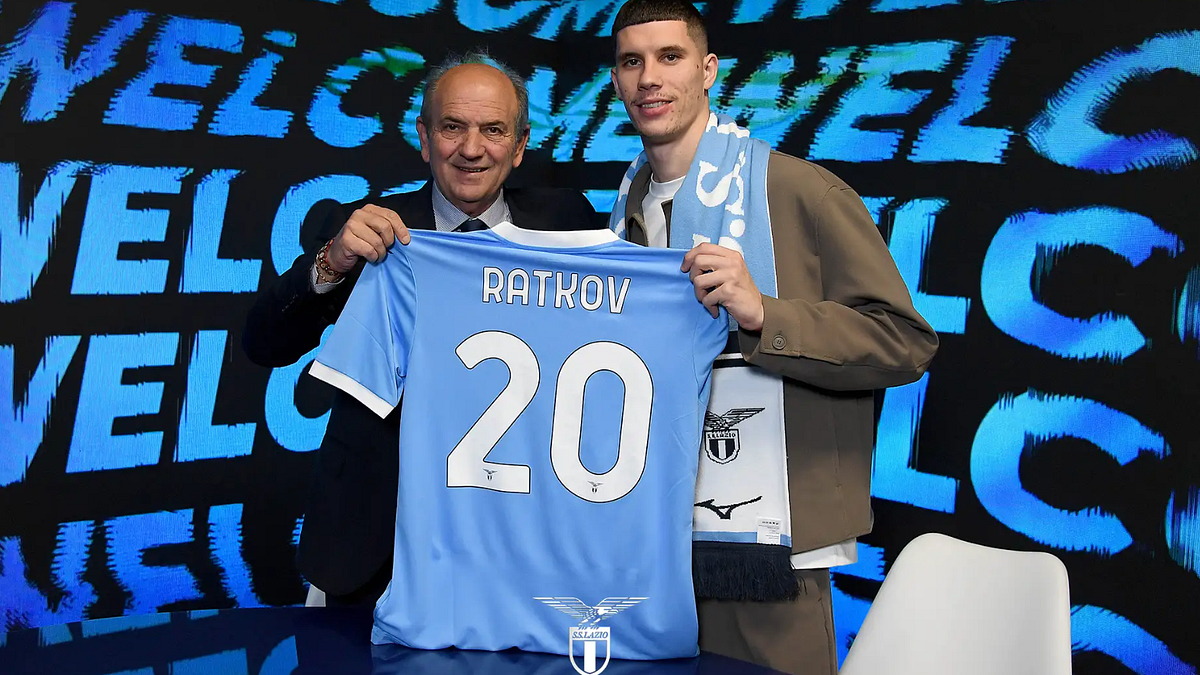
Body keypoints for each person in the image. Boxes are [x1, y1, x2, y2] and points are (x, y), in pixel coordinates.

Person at [606, 2, 940, 674]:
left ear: (708, 70)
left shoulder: (797, 191)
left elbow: (904, 341)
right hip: (648, 540)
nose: (649, 78)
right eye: (631, 62)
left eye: (670, 57)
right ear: (615, 80)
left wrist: (766, 314)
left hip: (769, 549)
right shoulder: (622, 213)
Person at [242, 51, 603, 607]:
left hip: (522, 540)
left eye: (493, 130)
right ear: (425, 139)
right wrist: (331, 263)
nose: (472, 148)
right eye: (452, 127)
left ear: (519, 145)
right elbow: (264, 342)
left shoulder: (567, 222)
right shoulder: (369, 229)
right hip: (374, 544)